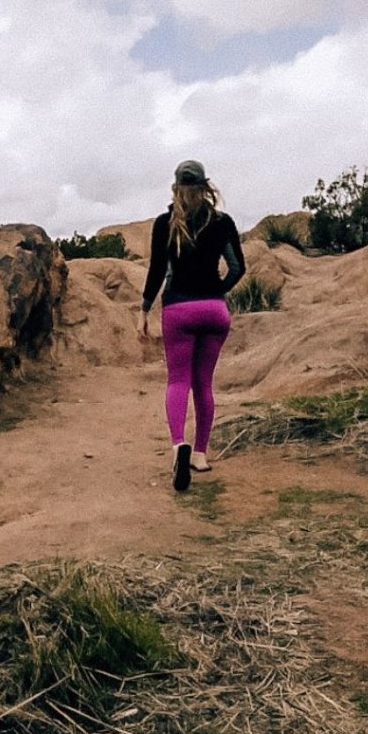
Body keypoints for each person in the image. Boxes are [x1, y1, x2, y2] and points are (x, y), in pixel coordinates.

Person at [138, 160, 246, 491]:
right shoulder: (223, 221)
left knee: (178, 381)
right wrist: (215, 296)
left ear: (176, 189)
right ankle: (200, 454)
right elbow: (237, 267)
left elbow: (157, 270)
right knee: (204, 384)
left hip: (179, 310)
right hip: (214, 311)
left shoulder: (164, 224)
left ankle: (177, 447)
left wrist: (143, 309)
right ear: (205, 187)